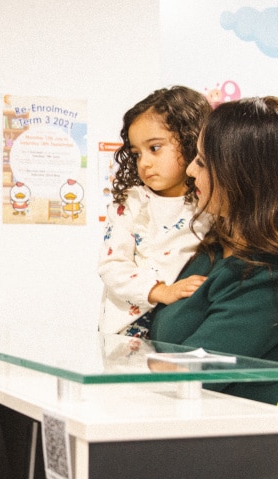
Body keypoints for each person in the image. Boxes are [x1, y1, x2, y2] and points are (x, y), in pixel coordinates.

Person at [150, 96, 278, 403]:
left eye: (201, 161)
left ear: (239, 175)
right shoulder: (215, 247)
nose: (189, 170)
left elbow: (186, 375)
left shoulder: (271, 280)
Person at [98, 85, 214, 338]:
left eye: (155, 148)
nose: (145, 163)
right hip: (127, 332)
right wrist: (160, 291)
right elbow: (112, 265)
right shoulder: (131, 202)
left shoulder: (210, 203)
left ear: (191, 140)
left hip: (185, 327)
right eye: (137, 154)